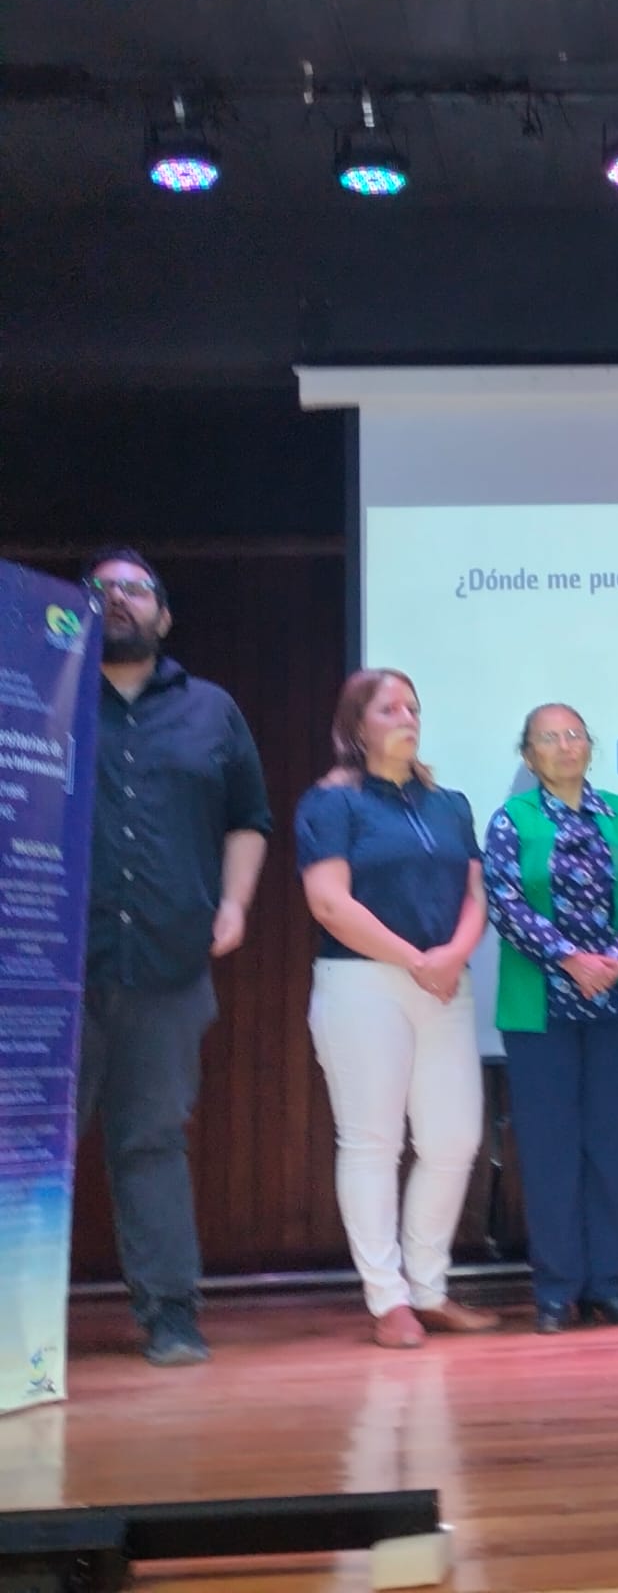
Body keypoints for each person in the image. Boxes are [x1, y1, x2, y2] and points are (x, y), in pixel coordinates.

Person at [76, 547, 272, 1366]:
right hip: (49, 971)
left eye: (135, 588)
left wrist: (234, 902)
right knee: (23, 1153)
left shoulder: (212, 710)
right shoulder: (33, 695)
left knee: (152, 1141)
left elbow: (248, 819)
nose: (118, 597)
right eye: (101, 588)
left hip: (167, 961)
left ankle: (170, 1314)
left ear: (163, 613)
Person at [296, 669, 498, 1349]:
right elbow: (329, 903)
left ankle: (429, 1288)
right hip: (363, 985)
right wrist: (416, 959)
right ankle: (388, 1299)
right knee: (372, 1143)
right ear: (356, 725)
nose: (407, 717)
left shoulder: (449, 804)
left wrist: (451, 955)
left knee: (453, 1139)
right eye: (389, 708)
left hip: (442, 984)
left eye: (413, 706)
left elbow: (476, 897)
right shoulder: (332, 803)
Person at [484, 705, 618, 1335]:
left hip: (614, 1001)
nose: (564, 746)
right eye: (549, 738)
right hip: (541, 1008)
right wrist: (569, 959)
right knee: (550, 1151)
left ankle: (609, 1287)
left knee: (609, 1148)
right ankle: (557, 1292)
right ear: (528, 755)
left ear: (590, 745)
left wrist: (616, 961)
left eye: (574, 735)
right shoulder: (512, 819)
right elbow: (505, 901)